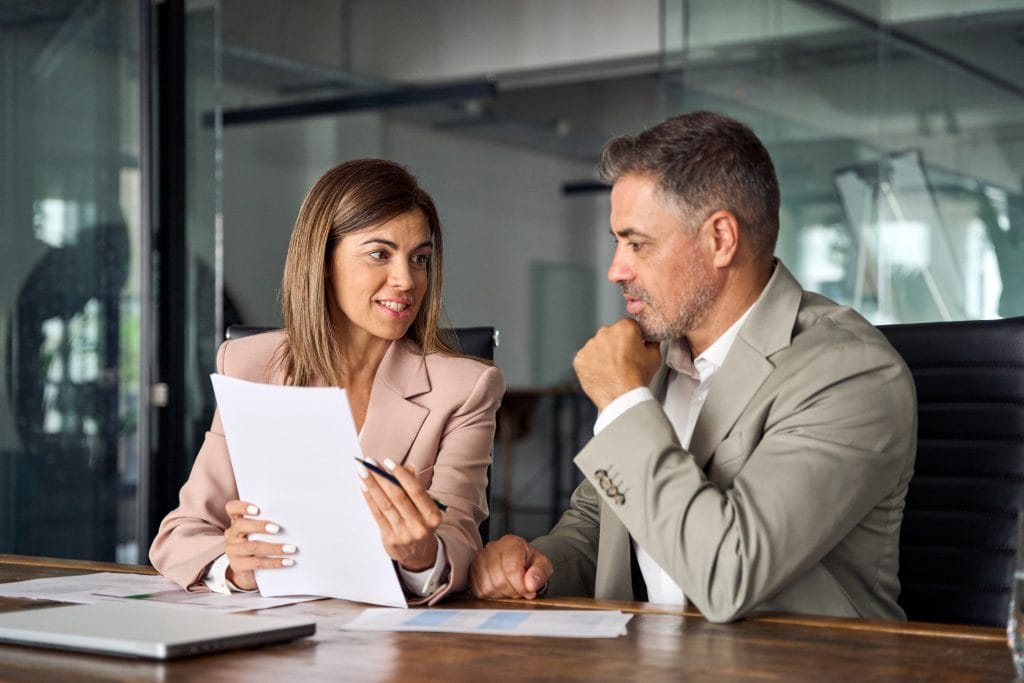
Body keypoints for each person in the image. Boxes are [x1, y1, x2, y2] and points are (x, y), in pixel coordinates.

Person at [469, 111, 916, 623]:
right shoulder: (658, 359)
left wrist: (622, 401)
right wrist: (541, 564)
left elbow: (731, 572)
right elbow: (601, 520)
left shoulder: (849, 374)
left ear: (720, 239)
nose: (617, 269)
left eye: (637, 243)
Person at [150, 159, 505, 605]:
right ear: (322, 261)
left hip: (398, 644)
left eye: (420, 259)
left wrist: (421, 556)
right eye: (380, 253)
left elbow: (461, 539)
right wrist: (235, 566)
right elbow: (181, 535)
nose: (407, 280)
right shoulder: (249, 366)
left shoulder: (465, 388)